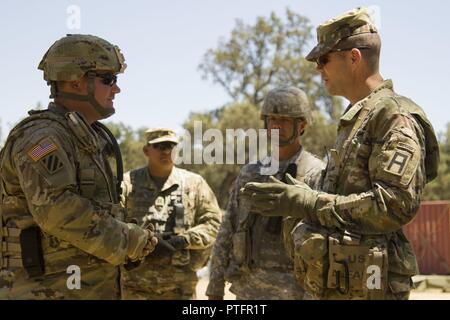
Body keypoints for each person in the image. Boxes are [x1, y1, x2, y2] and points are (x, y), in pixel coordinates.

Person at [241, 7, 440, 300]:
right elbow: (346, 190)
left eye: (323, 60)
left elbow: (395, 204)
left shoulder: (393, 116)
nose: (318, 69)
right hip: (341, 281)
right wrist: (301, 191)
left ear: (353, 57)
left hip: (372, 287)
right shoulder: (357, 117)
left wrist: (309, 202)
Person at [0, 34, 158, 300]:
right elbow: (56, 209)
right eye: (108, 79)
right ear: (75, 81)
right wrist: (128, 240)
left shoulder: (84, 137)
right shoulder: (43, 137)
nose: (116, 89)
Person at [206, 86, 325, 300]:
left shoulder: (317, 174)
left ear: (302, 125)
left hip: (296, 291)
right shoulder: (250, 173)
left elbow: (325, 243)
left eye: (286, 120)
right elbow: (228, 228)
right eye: (272, 119)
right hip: (249, 291)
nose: (277, 125)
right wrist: (215, 286)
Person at [120, 128, 222, 299]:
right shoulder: (127, 183)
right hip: (134, 287)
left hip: (180, 289)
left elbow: (213, 223)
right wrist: (139, 241)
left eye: (171, 146)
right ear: (146, 150)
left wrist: (182, 241)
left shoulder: (194, 184)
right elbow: (110, 222)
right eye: (160, 146)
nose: (167, 151)